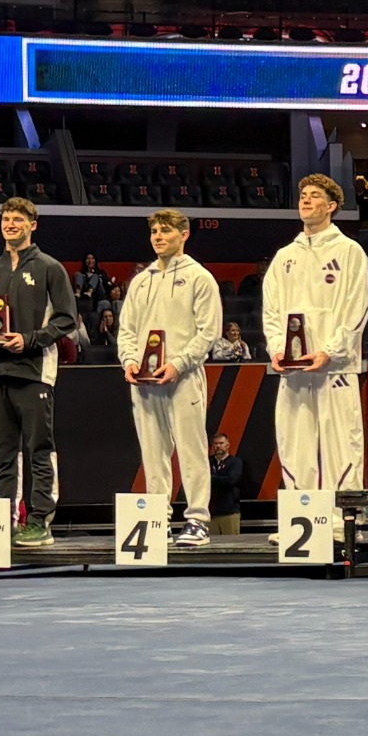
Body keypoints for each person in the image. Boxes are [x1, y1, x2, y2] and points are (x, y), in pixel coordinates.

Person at [263, 174, 368, 542]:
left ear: (332, 206)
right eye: (303, 196)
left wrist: (332, 350)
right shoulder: (284, 257)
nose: (306, 201)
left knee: (342, 443)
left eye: (314, 197)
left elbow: (358, 309)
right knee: (295, 444)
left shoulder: (350, 252)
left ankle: (345, 522)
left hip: (336, 367)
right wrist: (277, 349)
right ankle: (301, 519)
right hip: (293, 371)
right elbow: (271, 311)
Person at [0, 197, 79, 548]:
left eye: (18, 219)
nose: (11, 224)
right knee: (4, 456)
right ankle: (3, 522)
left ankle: (39, 521)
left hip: (34, 371)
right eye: (6, 219)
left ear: (34, 224)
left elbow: (66, 318)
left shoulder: (49, 267)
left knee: (39, 449)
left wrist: (30, 340)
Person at [119, 209, 221, 548]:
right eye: (154, 232)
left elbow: (209, 332)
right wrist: (130, 361)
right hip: (145, 382)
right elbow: (127, 331)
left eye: (165, 231)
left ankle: (197, 520)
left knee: (191, 450)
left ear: (184, 234)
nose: (158, 237)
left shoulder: (199, 277)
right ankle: (157, 518)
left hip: (184, 378)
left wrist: (178, 363)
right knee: (153, 452)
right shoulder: (141, 280)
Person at [208, 433, 246, 536]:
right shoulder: (208, 462)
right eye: (216, 444)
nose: (218, 446)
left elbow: (232, 480)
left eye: (221, 443)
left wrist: (211, 479)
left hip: (229, 512)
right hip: (210, 513)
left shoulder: (235, 462)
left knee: (231, 545)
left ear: (227, 445)